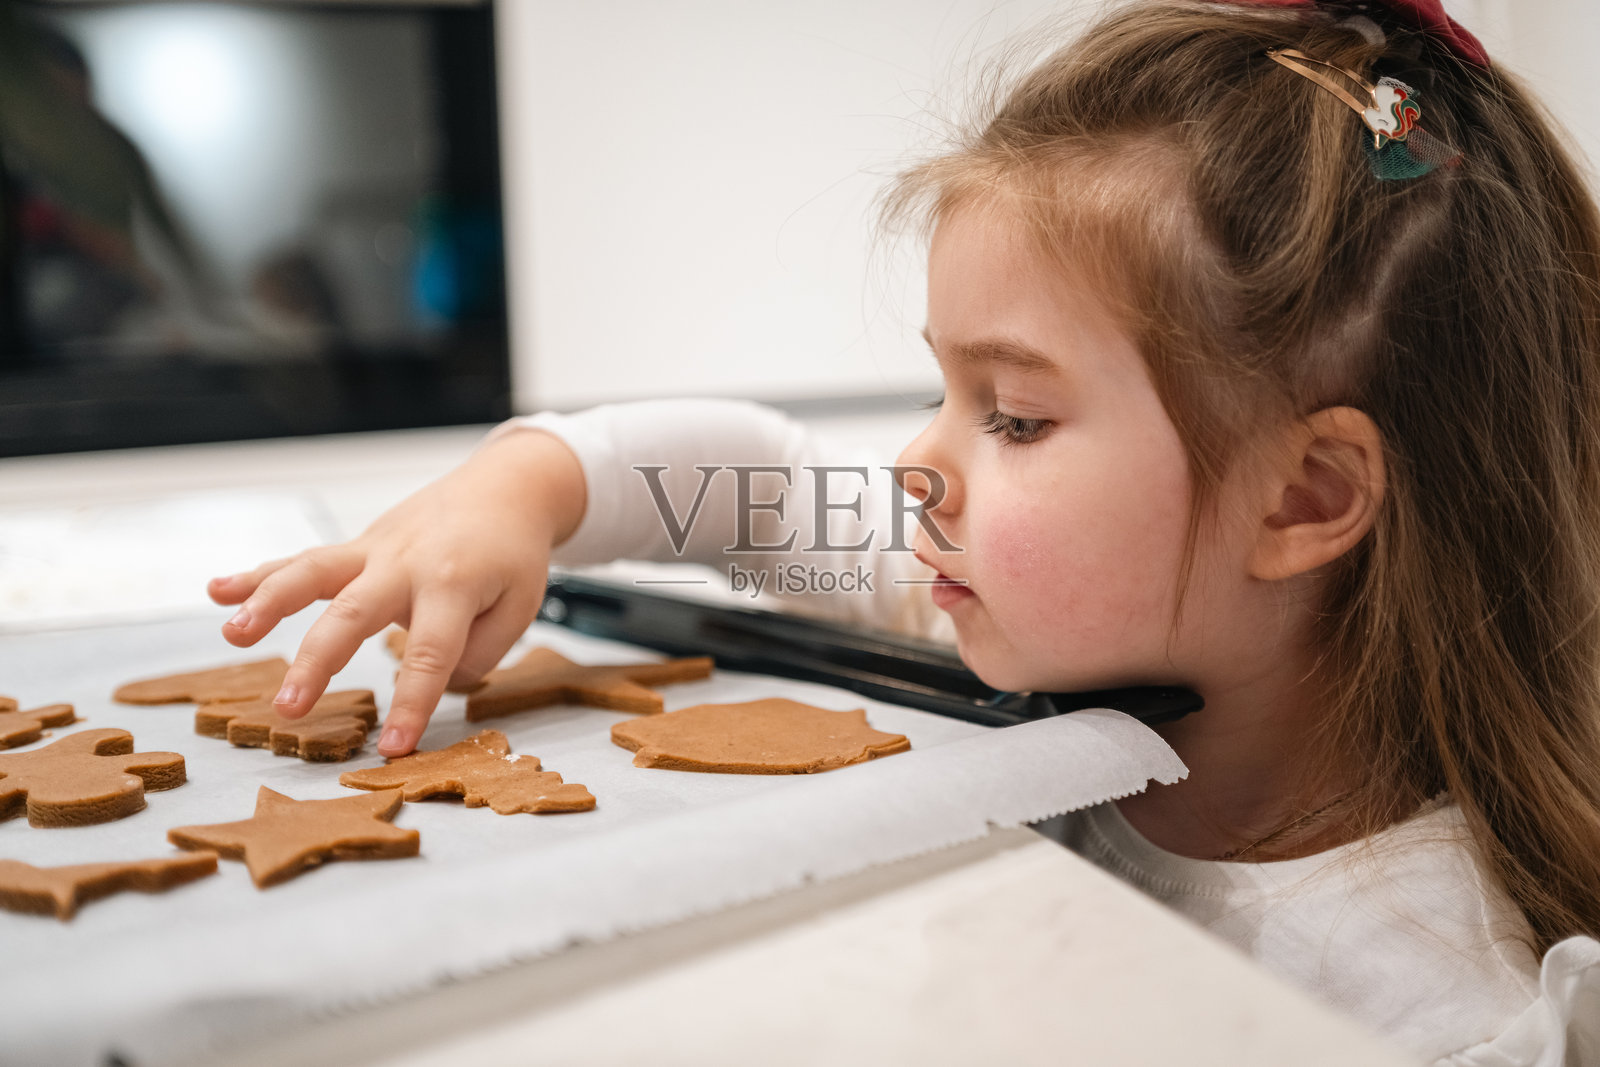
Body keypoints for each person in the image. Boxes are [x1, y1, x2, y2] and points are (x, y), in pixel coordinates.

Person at [207, 0, 1600, 1060]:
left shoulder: (1431, 1009)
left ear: (1302, 501)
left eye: (1014, 417)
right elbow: (749, 483)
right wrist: (521, 489)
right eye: (947, 390)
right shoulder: (1000, 590)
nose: (919, 465)